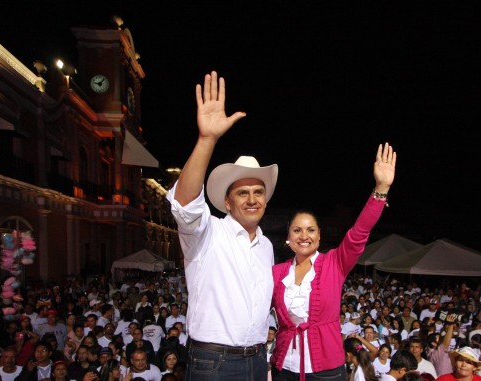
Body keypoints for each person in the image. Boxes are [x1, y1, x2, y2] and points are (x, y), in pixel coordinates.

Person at [166, 70, 277, 381]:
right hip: (213, 363)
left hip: (257, 358)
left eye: (258, 192)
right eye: (242, 193)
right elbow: (185, 204)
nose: (252, 200)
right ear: (227, 202)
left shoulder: (267, 247)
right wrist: (207, 139)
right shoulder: (208, 234)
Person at [270, 142, 396, 381]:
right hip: (284, 365)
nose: (304, 236)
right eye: (297, 230)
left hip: (326, 368)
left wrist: (380, 189)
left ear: (319, 236)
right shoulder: (276, 273)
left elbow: (359, 233)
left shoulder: (334, 263)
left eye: (310, 230)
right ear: (288, 237)